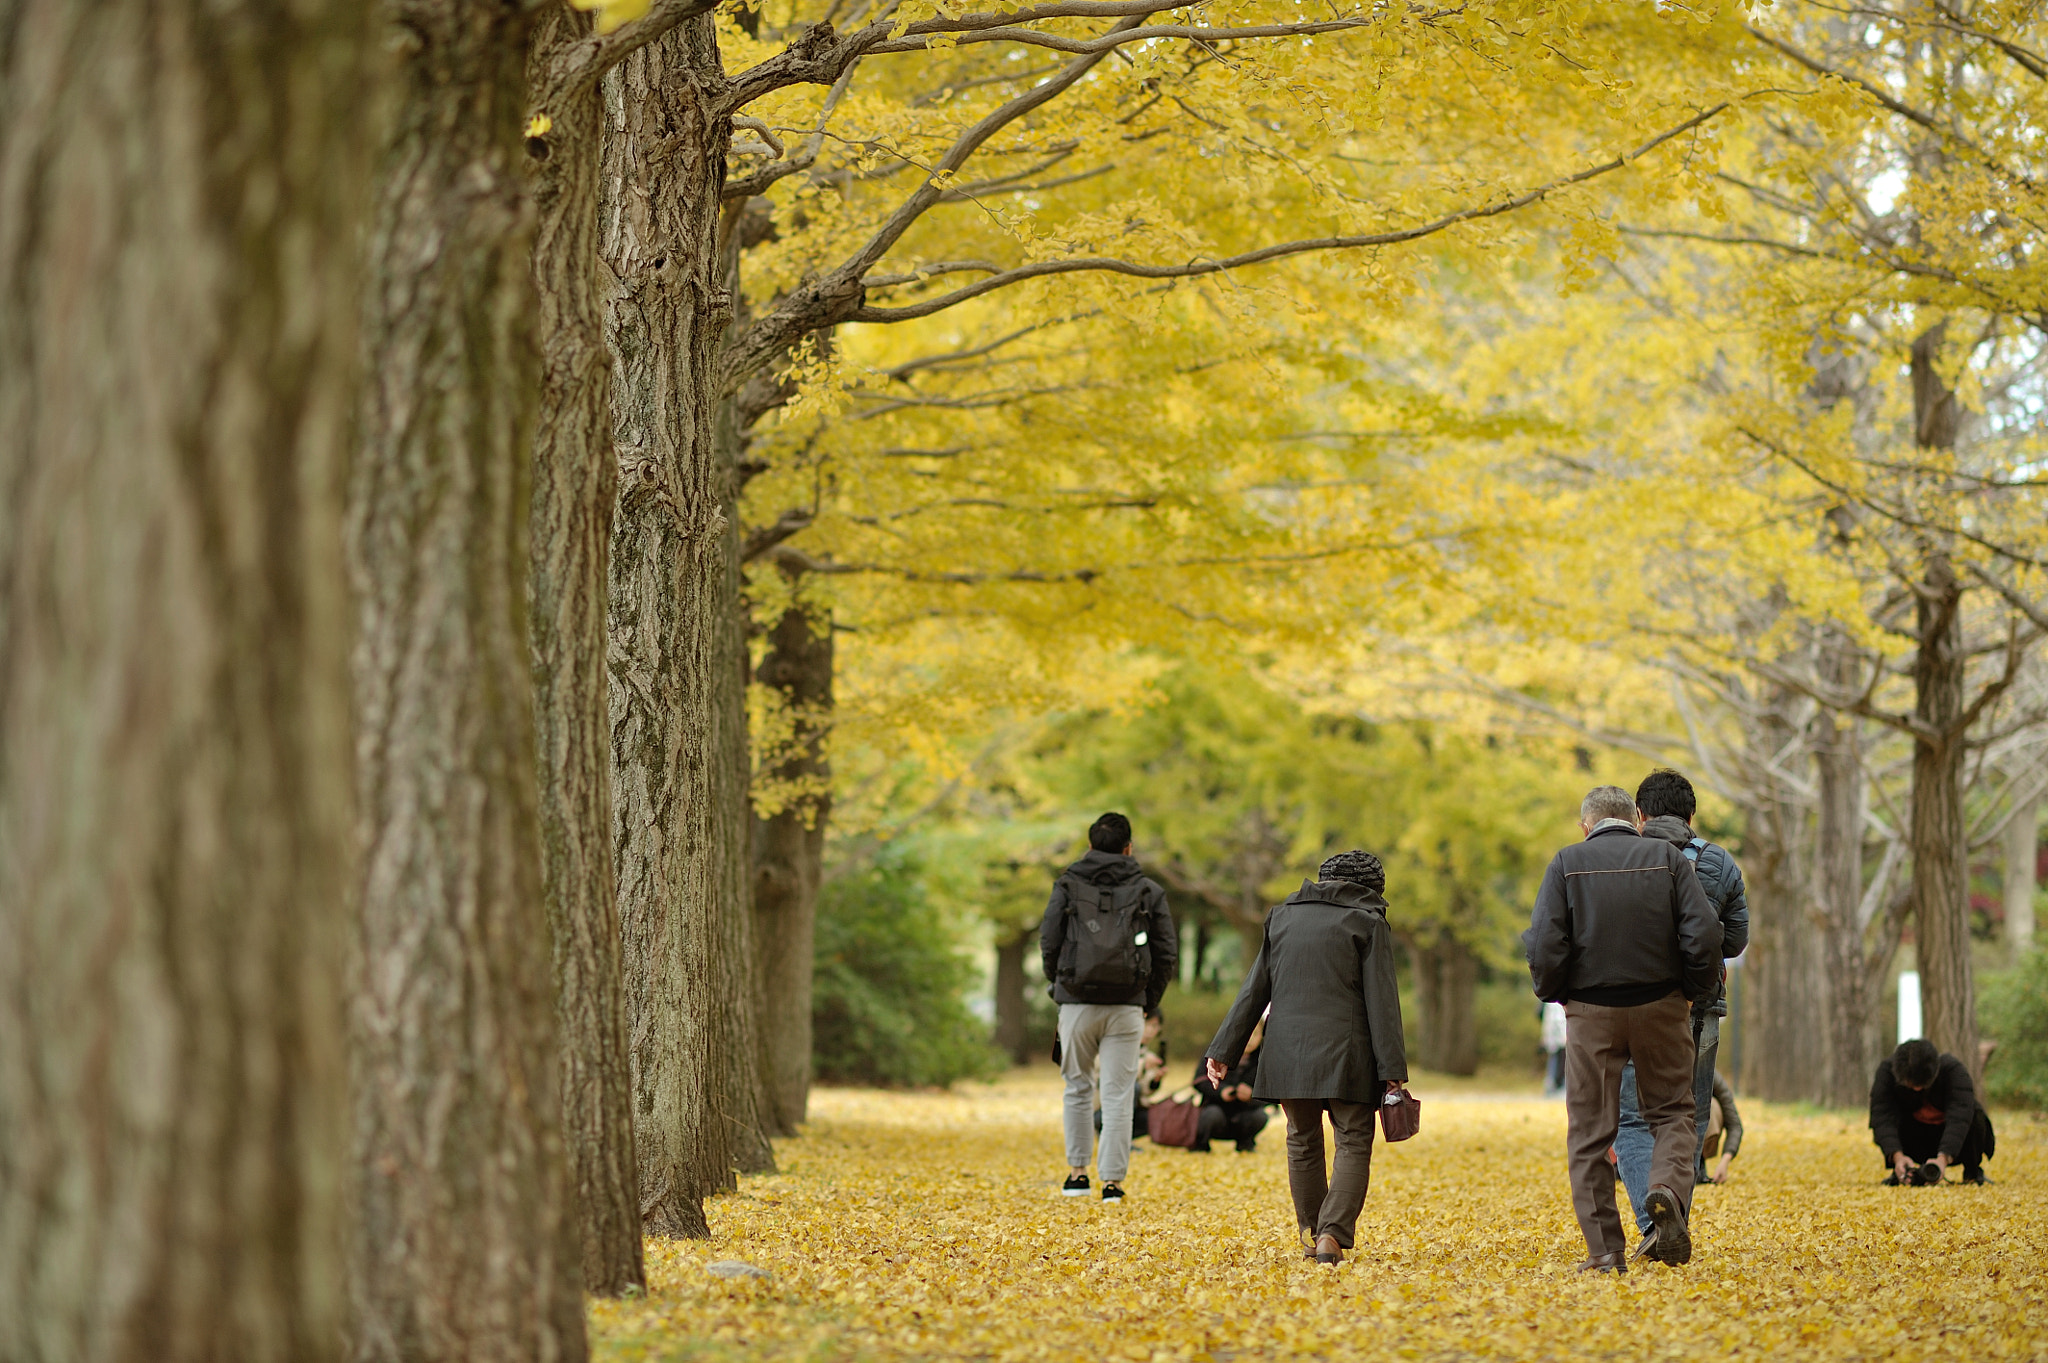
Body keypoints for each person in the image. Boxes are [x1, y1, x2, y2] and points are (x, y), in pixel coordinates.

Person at [1525, 785, 1720, 1273]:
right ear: (1635, 819)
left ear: (1585, 825)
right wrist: (1690, 991)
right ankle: (1668, 1192)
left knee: (1590, 1131)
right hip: (1662, 1006)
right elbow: (1704, 932)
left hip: (1591, 1012)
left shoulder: (1566, 864)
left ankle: (1606, 1252)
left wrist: (1556, 993)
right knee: (1674, 1111)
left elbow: (1546, 941)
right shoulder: (1668, 861)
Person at [1204, 851, 1407, 1265]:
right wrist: (1392, 1070)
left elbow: (1255, 989)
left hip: (1287, 1049)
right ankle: (1333, 1234)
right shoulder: (1367, 921)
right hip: (1349, 1050)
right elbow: (1382, 1001)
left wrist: (1223, 1050)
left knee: (1302, 1139)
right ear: (1369, 888)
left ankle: (1313, 1234)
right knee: (1352, 1139)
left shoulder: (1282, 917)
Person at [1612, 769, 1748, 1246]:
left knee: (1632, 1116)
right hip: (1702, 1007)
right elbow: (1735, 938)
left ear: (1640, 815)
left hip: (1637, 1004)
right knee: (1688, 1115)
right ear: (1692, 815)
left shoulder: (1623, 859)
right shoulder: (1721, 862)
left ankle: (1652, 1222)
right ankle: (1677, 1216)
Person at [1042, 812, 1178, 1202]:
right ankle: (1113, 1183)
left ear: (1089, 847)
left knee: (1077, 1088)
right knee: (1119, 1093)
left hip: (1076, 1002)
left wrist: (1059, 984)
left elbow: (1049, 939)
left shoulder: (1067, 884)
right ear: (1128, 848)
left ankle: (1077, 1175)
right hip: (1126, 1006)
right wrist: (1147, 1001)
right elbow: (1165, 953)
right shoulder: (1149, 891)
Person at [1871, 1039, 1996, 1186]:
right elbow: (1882, 1116)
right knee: (1884, 1123)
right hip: (1914, 1139)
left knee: (1975, 1115)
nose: (1917, 1090)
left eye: (1922, 1085)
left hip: (1953, 1143)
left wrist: (1944, 1158)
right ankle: (1902, 1171)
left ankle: (1972, 1171)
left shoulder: (1953, 1070)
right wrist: (1896, 1156)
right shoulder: (1886, 1072)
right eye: (1911, 1085)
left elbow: (1960, 1116)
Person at [1192, 1015, 1268, 1153]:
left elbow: (1271, 1093)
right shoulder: (1217, 1051)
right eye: (1246, 1033)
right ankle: (1201, 1144)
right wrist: (1221, 1091)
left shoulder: (1264, 1058)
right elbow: (1199, 1081)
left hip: (1245, 1113)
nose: (1250, 1039)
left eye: (1255, 1034)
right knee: (1211, 1115)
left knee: (1260, 1116)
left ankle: (1246, 1143)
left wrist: (1252, 1095)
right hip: (1217, 1109)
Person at [1697, 1072, 1742, 1185]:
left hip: (1696, 1127)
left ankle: (1698, 1162)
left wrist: (1725, 1160)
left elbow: (1734, 1125)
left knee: (1712, 1106)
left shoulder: (1712, 1076)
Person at [1540, 1001, 1568, 1098]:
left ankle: (1557, 1085)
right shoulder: (1555, 1003)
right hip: (1558, 1035)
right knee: (1558, 1060)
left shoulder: (1550, 1002)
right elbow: (1555, 1019)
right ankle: (1552, 1085)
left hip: (1557, 1035)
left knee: (1558, 1059)